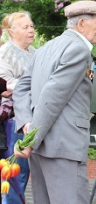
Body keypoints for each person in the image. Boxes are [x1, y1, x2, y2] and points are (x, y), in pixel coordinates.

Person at [12, 0, 96, 203]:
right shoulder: (79, 50)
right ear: (81, 23)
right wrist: (30, 138)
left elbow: (21, 89)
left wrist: (26, 123)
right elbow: (52, 97)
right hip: (63, 149)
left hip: (42, 149)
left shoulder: (46, 48)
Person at [0, 11, 36, 204]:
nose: (31, 30)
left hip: (30, 119)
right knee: (13, 174)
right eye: (25, 27)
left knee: (23, 172)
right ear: (11, 31)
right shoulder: (5, 53)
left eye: (31, 26)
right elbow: (5, 87)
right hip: (13, 121)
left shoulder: (35, 53)